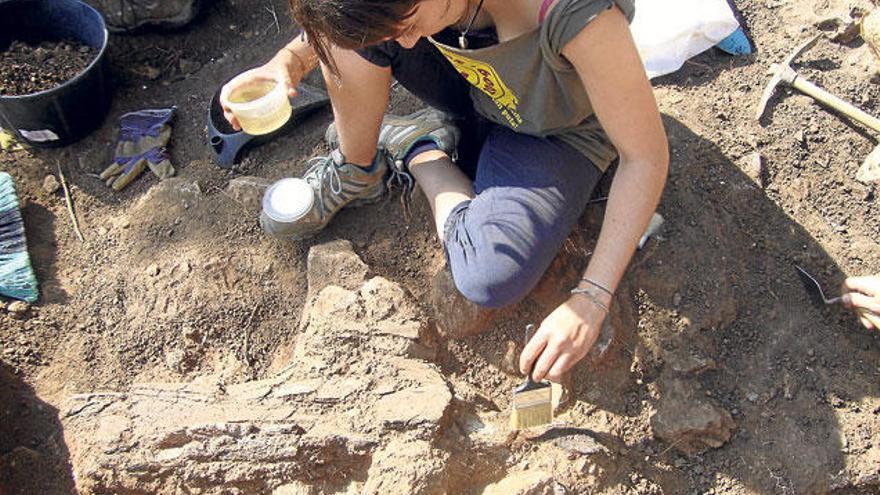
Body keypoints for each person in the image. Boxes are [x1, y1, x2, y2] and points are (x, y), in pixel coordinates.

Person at [222, 0, 669, 383]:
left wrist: (591, 298)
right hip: (475, 84)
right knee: (353, 36)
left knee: (488, 275)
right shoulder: (417, 14)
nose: (407, 43)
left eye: (408, 23)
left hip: (555, 129)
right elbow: (349, 16)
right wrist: (288, 61)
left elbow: (644, 157)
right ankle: (358, 169)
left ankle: (421, 149)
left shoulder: (576, 14)